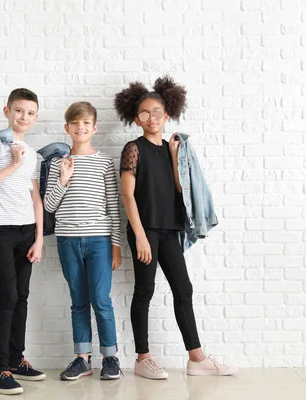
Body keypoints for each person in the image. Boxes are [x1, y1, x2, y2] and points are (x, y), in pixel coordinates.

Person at [114, 76, 238, 379]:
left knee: (184, 289)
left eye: (157, 112)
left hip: (170, 230)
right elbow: (127, 194)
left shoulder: (174, 150)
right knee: (144, 290)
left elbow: (182, 190)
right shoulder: (134, 148)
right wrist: (140, 236)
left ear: (166, 114)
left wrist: (172, 156)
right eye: (144, 113)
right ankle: (143, 358)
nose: (151, 118)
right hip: (145, 230)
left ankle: (196, 358)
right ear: (135, 118)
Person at [43, 101, 123, 381]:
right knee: (78, 301)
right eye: (75, 123)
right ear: (67, 128)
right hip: (68, 241)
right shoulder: (58, 164)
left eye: (86, 123)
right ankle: (82, 358)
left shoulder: (104, 163)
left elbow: (113, 206)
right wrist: (64, 178)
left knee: (101, 300)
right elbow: (49, 206)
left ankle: (111, 358)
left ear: (94, 127)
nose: (80, 127)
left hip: (99, 241)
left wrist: (116, 245)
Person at [0, 88, 45, 395]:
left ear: (36, 117)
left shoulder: (33, 152)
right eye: (19, 111)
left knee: (22, 297)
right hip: (0, 231)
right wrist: (13, 164)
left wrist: (40, 239)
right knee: (7, 297)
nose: (23, 117)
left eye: (30, 113)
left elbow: (36, 198)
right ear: (7, 111)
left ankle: (16, 361)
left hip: (28, 231)